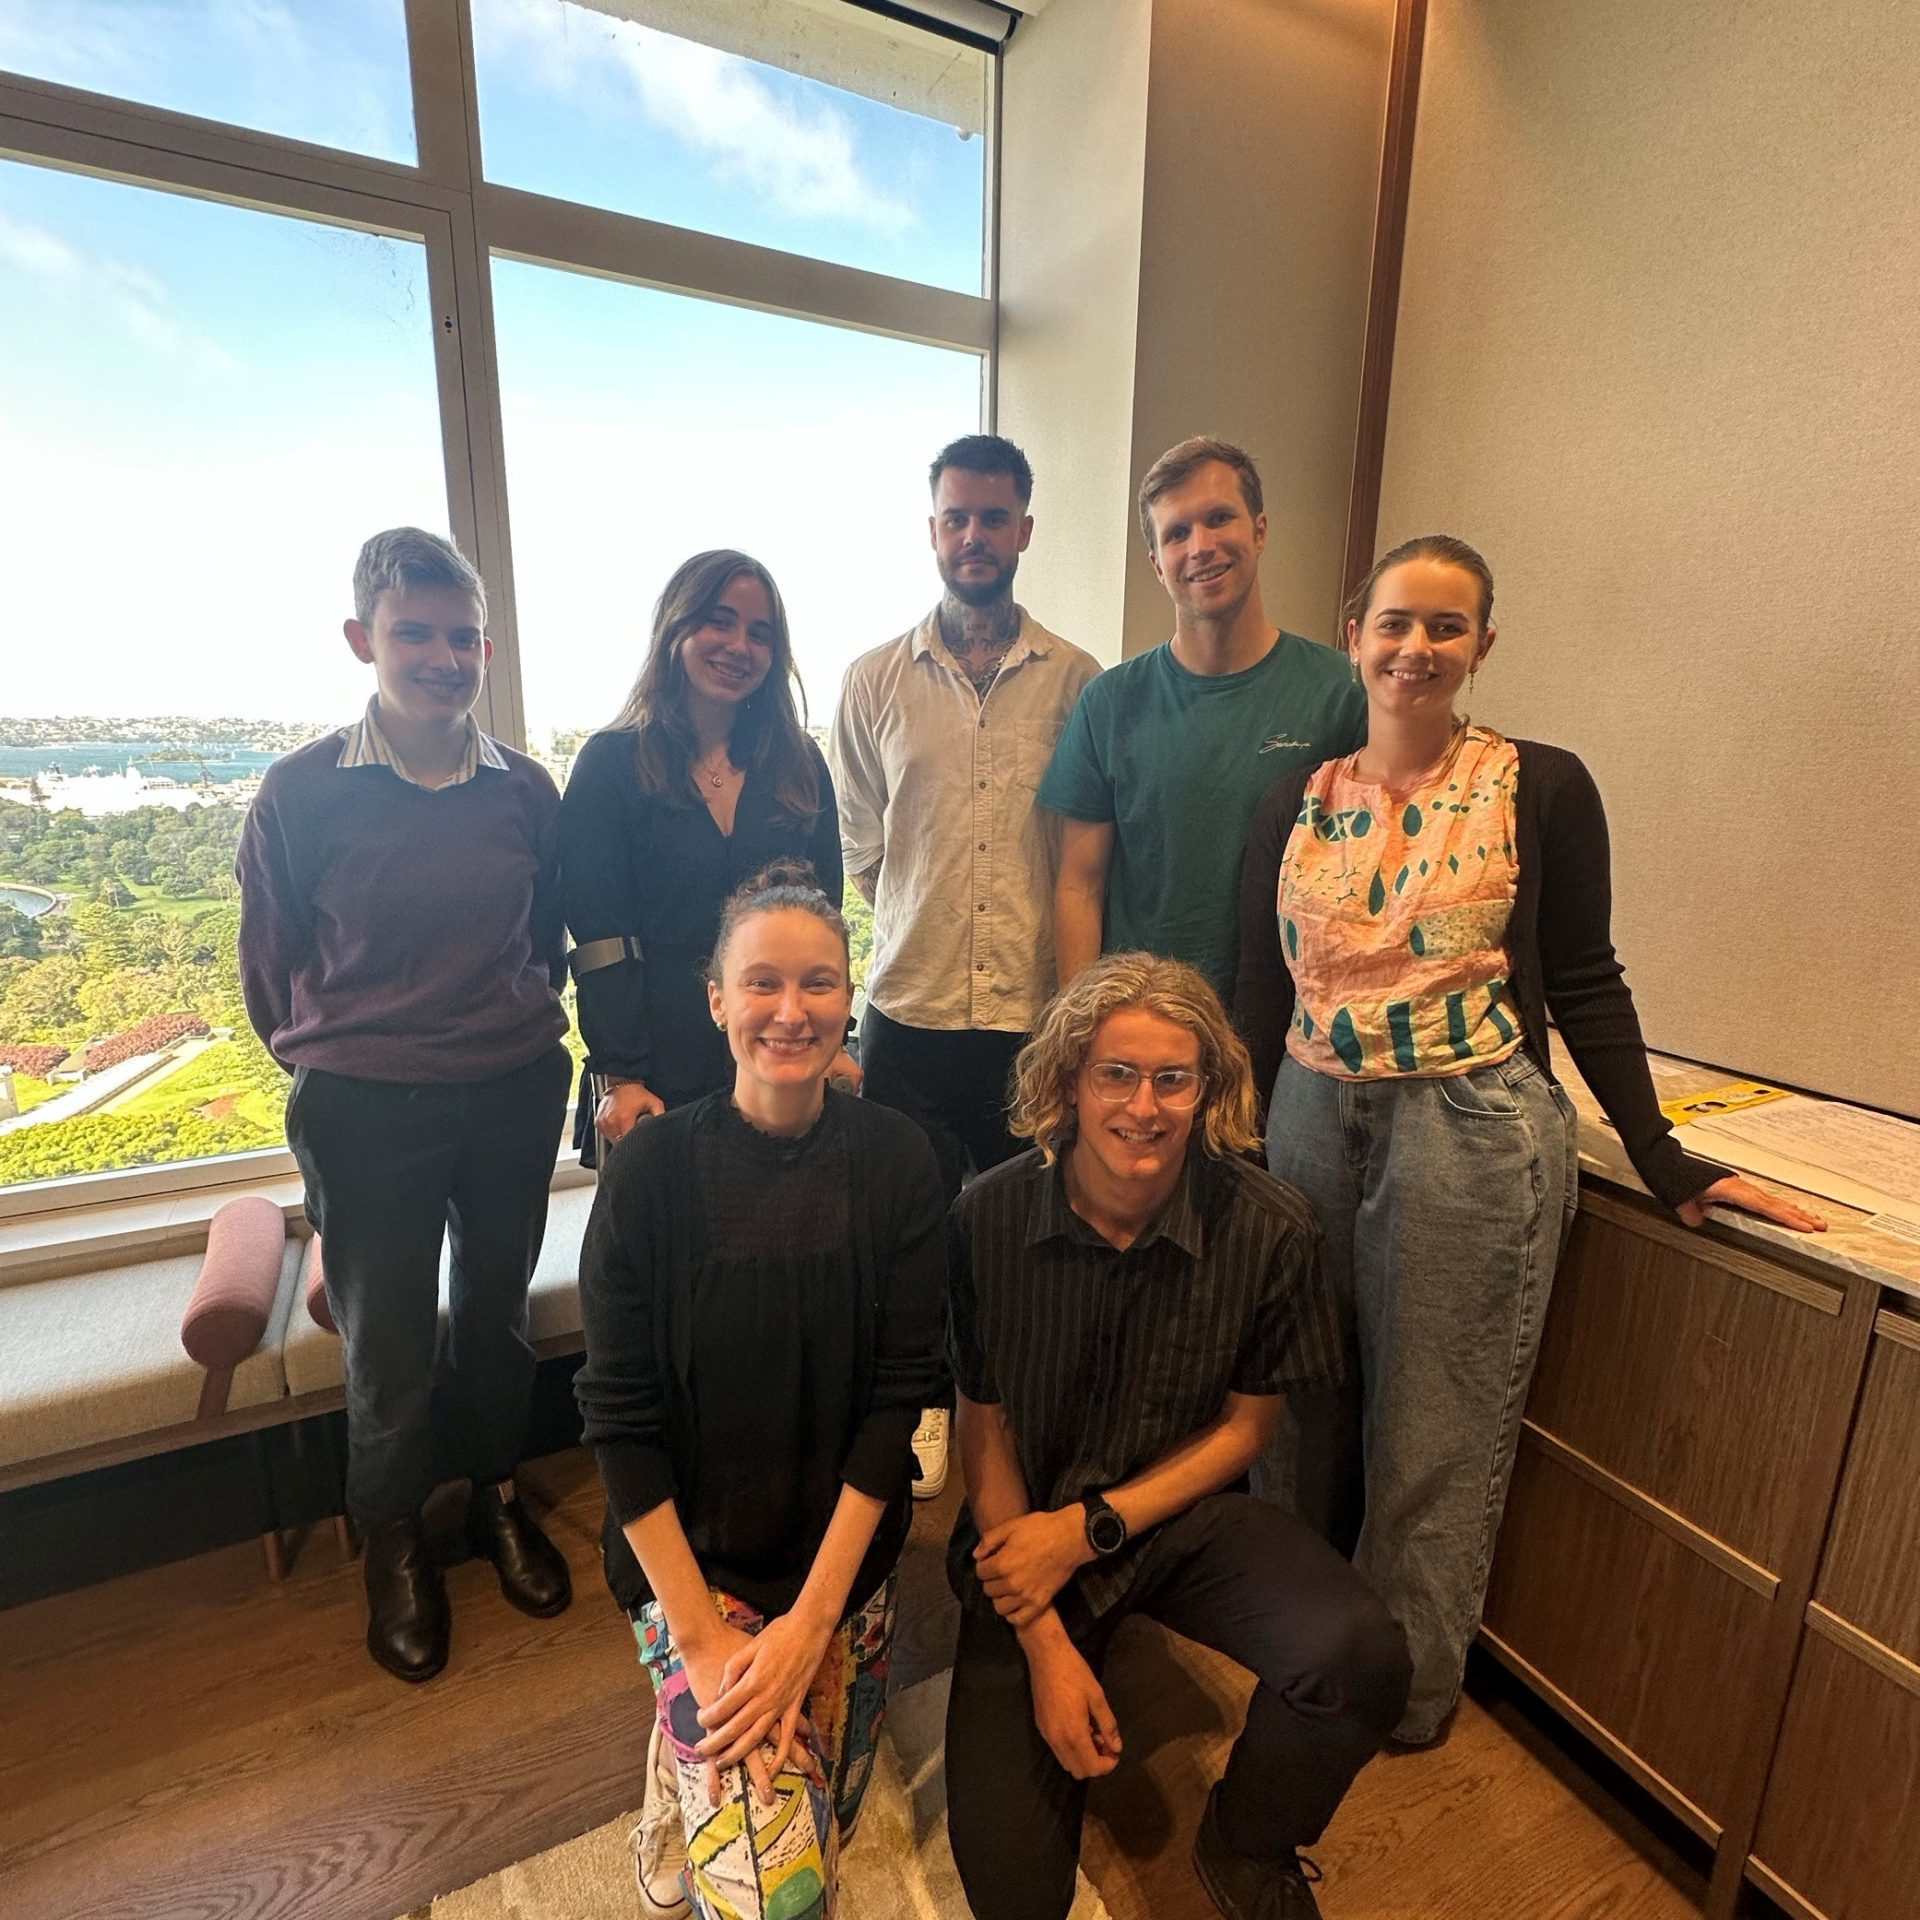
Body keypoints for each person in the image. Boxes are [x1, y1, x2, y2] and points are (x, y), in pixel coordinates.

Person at [1233, 533, 1827, 1746]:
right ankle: (1299, 1651)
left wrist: (1665, 1158)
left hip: (1469, 1127)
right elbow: (1257, 980)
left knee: (1434, 1433)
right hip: (1304, 1112)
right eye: (1396, 622)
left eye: (1447, 627)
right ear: (1354, 633)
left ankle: (1399, 1699)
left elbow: (1587, 979)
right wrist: (1234, 1141)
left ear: (1482, 647)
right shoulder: (1293, 797)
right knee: (1299, 1410)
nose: (1417, 648)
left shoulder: (1538, 784)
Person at [944, 953, 1412, 1920]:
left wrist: (1094, 1530)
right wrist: (1043, 1642)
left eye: (1173, 1078)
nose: (1144, 1107)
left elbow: (1248, 1431)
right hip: (1023, 1529)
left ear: (1210, 1091)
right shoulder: (985, 1216)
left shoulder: (1274, 1230)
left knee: (1361, 1657)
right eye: (1116, 1073)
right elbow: (980, 1425)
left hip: (1183, 1521)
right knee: (1013, 1897)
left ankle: (1248, 1844)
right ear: (1069, 1082)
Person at [575, 864, 946, 1920]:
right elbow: (620, 1421)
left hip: (840, 1573)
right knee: (778, 1896)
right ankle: (688, 1759)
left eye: (820, 983)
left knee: (830, 1808)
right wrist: (706, 1644)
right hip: (694, 1574)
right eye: (764, 983)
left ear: (850, 996)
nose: (792, 1011)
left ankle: (687, 1783)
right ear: (717, 1000)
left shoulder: (901, 1163)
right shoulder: (648, 1175)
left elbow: (896, 1410)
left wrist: (809, 1628)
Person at [236, 527, 574, 1684]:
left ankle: (491, 1494)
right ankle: (394, 1537)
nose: (443, 656)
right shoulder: (301, 792)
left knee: (494, 1310)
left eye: (461, 635)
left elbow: (549, 942)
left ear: (486, 643)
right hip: (366, 1107)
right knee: (382, 1335)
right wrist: (350, 1059)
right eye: (413, 633)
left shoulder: (526, 788)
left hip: (511, 1088)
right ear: (361, 640)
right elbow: (268, 972)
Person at [828, 432, 1099, 1499]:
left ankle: (1008, 1410)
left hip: (1032, 1015)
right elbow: (863, 845)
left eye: (995, 517)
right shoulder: (873, 681)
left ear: (1024, 530)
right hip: (909, 1010)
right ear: (932, 529)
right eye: (957, 517)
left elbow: (1087, 846)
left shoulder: (1079, 682)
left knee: (1025, 1233)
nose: (975, 535)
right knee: (911, 1231)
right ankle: (930, 1407)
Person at [1040, 436, 1367, 999]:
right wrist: (1083, 1027)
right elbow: (1079, 886)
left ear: (1260, 530)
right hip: (1143, 1025)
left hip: (1290, 1028)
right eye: (1177, 533)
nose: (1202, 546)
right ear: (1156, 563)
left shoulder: (1341, 693)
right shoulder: (1110, 703)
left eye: (1220, 519)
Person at [558, 549, 856, 1164]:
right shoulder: (610, 764)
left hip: (782, 1057)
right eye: (719, 621)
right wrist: (620, 1073)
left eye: (760, 633)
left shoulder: (799, 763)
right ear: (676, 628)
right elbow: (598, 938)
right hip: (655, 1073)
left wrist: (834, 1042)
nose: (738, 645)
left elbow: (824, 923)